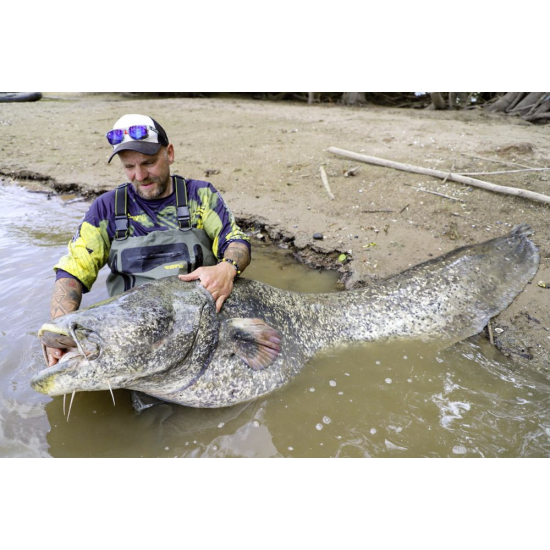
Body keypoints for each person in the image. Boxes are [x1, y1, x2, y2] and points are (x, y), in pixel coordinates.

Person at [46, 113, 251, 367]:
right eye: (129, 167)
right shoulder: (105, 209)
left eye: (149, 163)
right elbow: (72, 272)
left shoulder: (201, 196)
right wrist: (59, 333)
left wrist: (227, 267)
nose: (140, 175)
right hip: (133, 336)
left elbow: (236, 241)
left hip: (196, 330)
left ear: (170, 153)